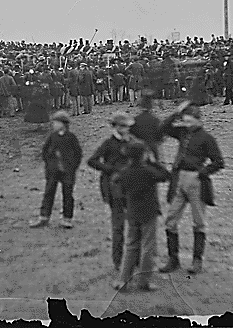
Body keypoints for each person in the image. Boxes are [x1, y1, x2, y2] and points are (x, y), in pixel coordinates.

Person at [158, 101, 225, 274]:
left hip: (196, 181)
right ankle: (173, 259)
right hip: (179, 179)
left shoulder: (207, 138)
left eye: (189, 122)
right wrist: (176, 113)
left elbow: (219, 162)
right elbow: (164, 127)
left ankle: (197, 261)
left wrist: (203, 172)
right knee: (170, 221)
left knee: (199, 223)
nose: (186, 125)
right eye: (184, 121)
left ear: (198, 120)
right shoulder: (182, 133)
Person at [112, 141, 171, 292]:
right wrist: (154, 162)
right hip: (149, 213)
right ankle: (143, 281)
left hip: (132, 213)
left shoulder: (124, 172)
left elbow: (118, 186)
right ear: (143, 155)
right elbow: (166, 175)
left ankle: (122, 280)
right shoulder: (148, 171)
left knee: (131, 246)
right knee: (147, 247)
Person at [87, 112, 137, 271]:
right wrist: (110, 169)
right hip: (114, 189)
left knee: (135, 224)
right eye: (122, 126)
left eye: (127, 126)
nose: (125, 129)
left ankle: (134, 259)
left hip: (131, 188)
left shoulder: (133, 142)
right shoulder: (108, 144)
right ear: (114, 127)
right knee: (118, 226)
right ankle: (118, 260)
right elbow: (92, 160)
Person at [29, 111, 83, 229]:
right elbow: (45, 152)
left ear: (64, 124)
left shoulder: (71, 138)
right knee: (49, 193)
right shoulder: (52, 137)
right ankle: (44, 217)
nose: (53, 125)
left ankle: (67, 219)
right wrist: (49, 165)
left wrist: (72, 167)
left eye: (56, 122)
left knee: (68, 194)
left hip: (67, 172)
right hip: (53, 172)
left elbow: (78, 154)